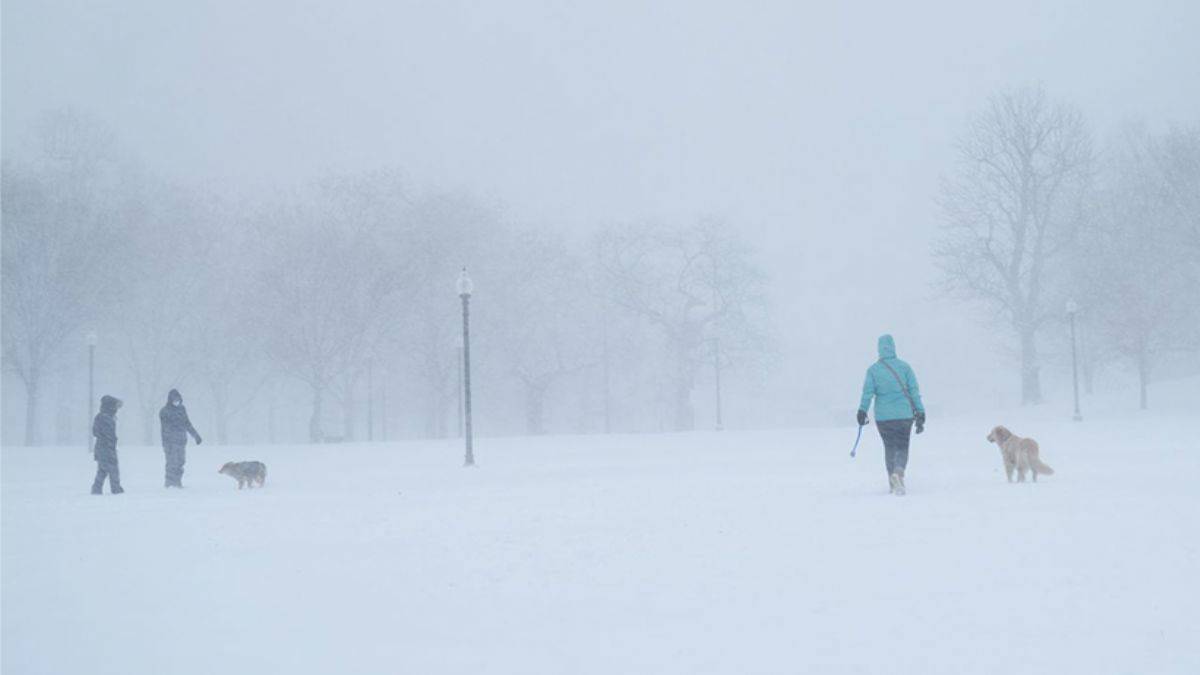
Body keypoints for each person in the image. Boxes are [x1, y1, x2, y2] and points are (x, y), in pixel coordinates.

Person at [857, 334, 925, 495]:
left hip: (884, 418)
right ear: (893, 347)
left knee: (889, 447)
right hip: (904, 415)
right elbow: (914, 392)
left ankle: (892, 480)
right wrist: (920, 412)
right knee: (902, 445)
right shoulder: (905, 367)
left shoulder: (873, 370)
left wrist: (862, 410)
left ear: (879, 349)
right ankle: (899, 472)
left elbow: (867, 393)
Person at [159, 389, 203, 488]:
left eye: (178, 399)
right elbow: (165, 428)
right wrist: (169, 440)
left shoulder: (182, 409)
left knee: (180, 461)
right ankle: (169, 482)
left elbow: (187, 423)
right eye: (174, 399)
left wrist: (196, 436)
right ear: (170, 400)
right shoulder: (164, 411)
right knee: (171, 462)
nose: (176, 401)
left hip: (181, 441)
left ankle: (178, 481)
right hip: (169, 442)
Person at [91, 395, 125, 495]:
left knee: (103, 469)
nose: (116, 409)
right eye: (115, 407)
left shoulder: (102, 416)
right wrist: (111, 445)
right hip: (106, 448)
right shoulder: (106, 418)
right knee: (112, 469)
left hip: (102, 447)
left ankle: (96, 489)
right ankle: (116, 489)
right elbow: (107, 435)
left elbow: (96, 432)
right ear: (110, 406)